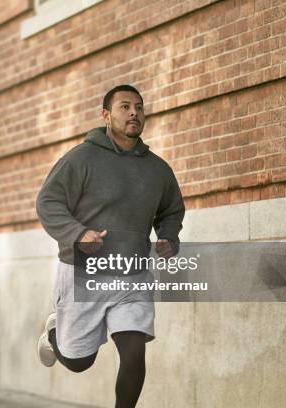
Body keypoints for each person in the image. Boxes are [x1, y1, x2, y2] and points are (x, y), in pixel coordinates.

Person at [35, 84, 185, 408]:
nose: (134, 113)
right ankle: (54, 333)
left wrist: (168, 238)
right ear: (106, 115)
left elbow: (171, 210)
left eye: (140, 107)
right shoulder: (81, 158)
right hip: (83, 272)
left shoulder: (158, 169)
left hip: (132, 275)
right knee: (78, 362)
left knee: (134, 355)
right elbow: (48, 202)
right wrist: (77, 233)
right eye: (125, 107)